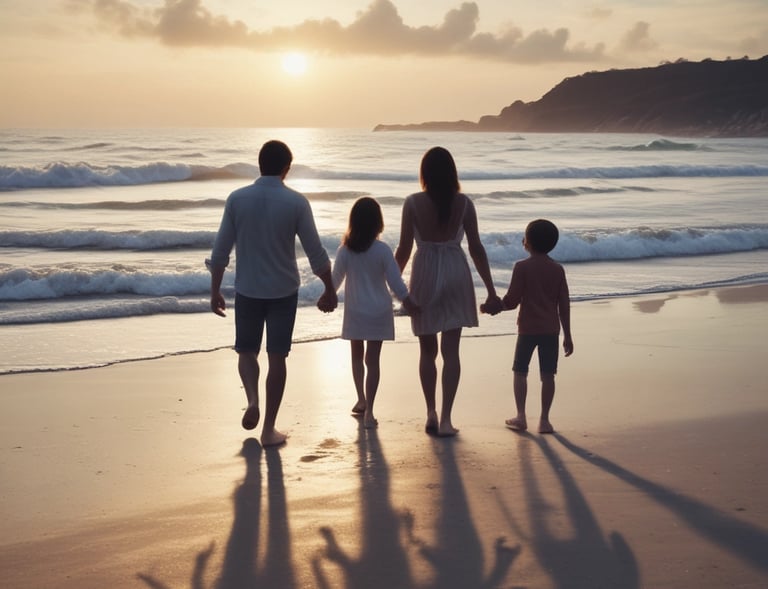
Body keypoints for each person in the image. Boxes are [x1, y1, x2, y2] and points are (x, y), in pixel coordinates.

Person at [207, 139, 337, 446]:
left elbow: (220, 250)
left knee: (246, 351)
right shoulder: (296, 202)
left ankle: (252, 400)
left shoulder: (237, 199)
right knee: (277, 358)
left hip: (248, 289)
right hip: (283, 291)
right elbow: (315, 252)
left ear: (260, 164)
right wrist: (330, 288)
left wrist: (215, 290)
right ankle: (268, 430)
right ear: (286, 169)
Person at [395, 146, 502, 437]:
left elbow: (403, 250)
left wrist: (391, 287)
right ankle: (446, 419)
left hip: (425, 272)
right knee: (451, 351)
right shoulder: (464, 203)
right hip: (456, 269)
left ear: (424, 173)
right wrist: (491, 291)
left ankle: (430, 412)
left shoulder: (412, 203)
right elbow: (476, 248)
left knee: (427, 351)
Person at [321, 197, 418, 429]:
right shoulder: (382, 250)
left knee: (357, 356)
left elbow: (335, 281)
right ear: (378, 223)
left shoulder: (345, 250)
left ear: (353, 221)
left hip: (355, 310)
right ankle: (370, 412)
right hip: (378, 311)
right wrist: (408, 302)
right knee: (373, 360)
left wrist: (327, 296)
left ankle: (361, 400)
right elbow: (395, 283)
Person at [493, 218, 574, 434]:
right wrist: (568, 335)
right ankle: (545, 420)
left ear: (527, 242)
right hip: (551, 330)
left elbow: (512, 300)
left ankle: (521, 416)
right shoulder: (557, 269)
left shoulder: (522, 267)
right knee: (548, 375)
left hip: (527, 329)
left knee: (520, 372)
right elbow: (564, 305)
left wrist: (495, 306)